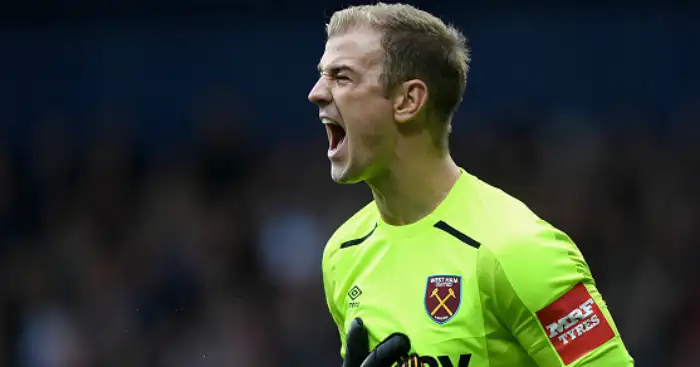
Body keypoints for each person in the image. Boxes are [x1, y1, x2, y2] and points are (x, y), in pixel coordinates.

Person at [308, 3, 634, 366]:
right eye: (324, 75)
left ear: (408, 100)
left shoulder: (516, 249)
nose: (317, 92)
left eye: (342, 77)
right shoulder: (343, 253)